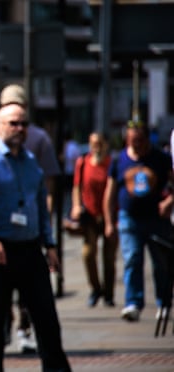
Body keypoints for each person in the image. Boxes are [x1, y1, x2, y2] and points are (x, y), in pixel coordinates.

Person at [0, 103, 71, 372]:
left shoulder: (31, 162)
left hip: (30, 249)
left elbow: (39, 207)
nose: (20, 128)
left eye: (24, 123)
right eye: (13, 123)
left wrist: (50, 244)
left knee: (46, 317)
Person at [103, 119, 173, 322]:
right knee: (132, 258)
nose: (136, 144)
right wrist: (109, 222)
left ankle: (163, 302)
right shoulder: (119, 160)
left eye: (140, 140)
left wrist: (169, 202)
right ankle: (133, 302)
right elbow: (110, 193)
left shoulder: (161, 158)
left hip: (156, 219)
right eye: (132, 140)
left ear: (146, 139)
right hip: (129, 219)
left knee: (161, 263)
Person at [70, 132, 117, 307]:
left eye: (98, 143)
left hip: (110, 215)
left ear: (106, 144)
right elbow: (77, 187)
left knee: (109, 257)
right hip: (89, 215)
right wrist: (76, 206)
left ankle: (109, 294)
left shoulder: (111, 163)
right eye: (92, 143)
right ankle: (96, 288)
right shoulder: (83, 163)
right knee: (88, 254)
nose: (95, 147)